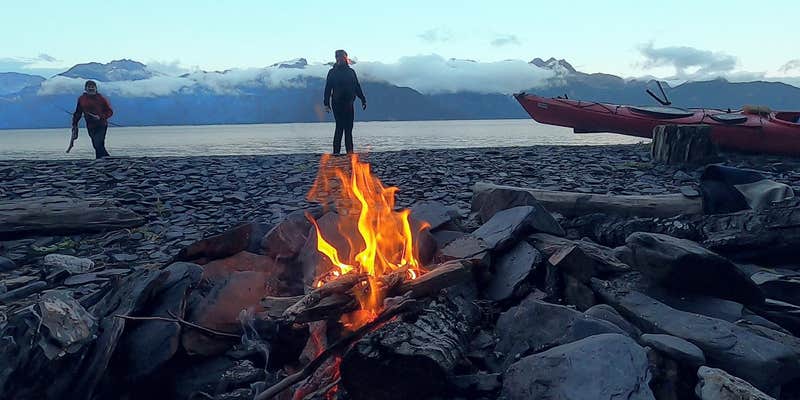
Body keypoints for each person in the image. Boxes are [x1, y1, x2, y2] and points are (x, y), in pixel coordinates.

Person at [323, 49, 366, 155]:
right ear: (336, 59)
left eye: (342, 57)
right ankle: (336, 153)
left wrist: (363, 99)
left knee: (349, 129)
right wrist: (326, 104)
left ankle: (350, 153)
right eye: (338, 57)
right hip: (337, 104)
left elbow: (356, 86)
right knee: (339, 127)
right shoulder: (332, 72)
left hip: (349, 103)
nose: (340, 59)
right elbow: (328, 88)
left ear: (346, 58)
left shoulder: (351, 72)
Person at [72, 80, 114, 159]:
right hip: (90, 125)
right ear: (85, 88)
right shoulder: (81, 99)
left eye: (92, 87)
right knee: (96, 144)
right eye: (89, 87)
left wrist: (101, 117)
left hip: (102, 124)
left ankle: (105, 158)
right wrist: (74, 124)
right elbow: (78, 113)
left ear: (96, 88)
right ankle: (101, 159)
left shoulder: (101, 98)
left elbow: (110, 111)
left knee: (98, 142)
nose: (91, 88)